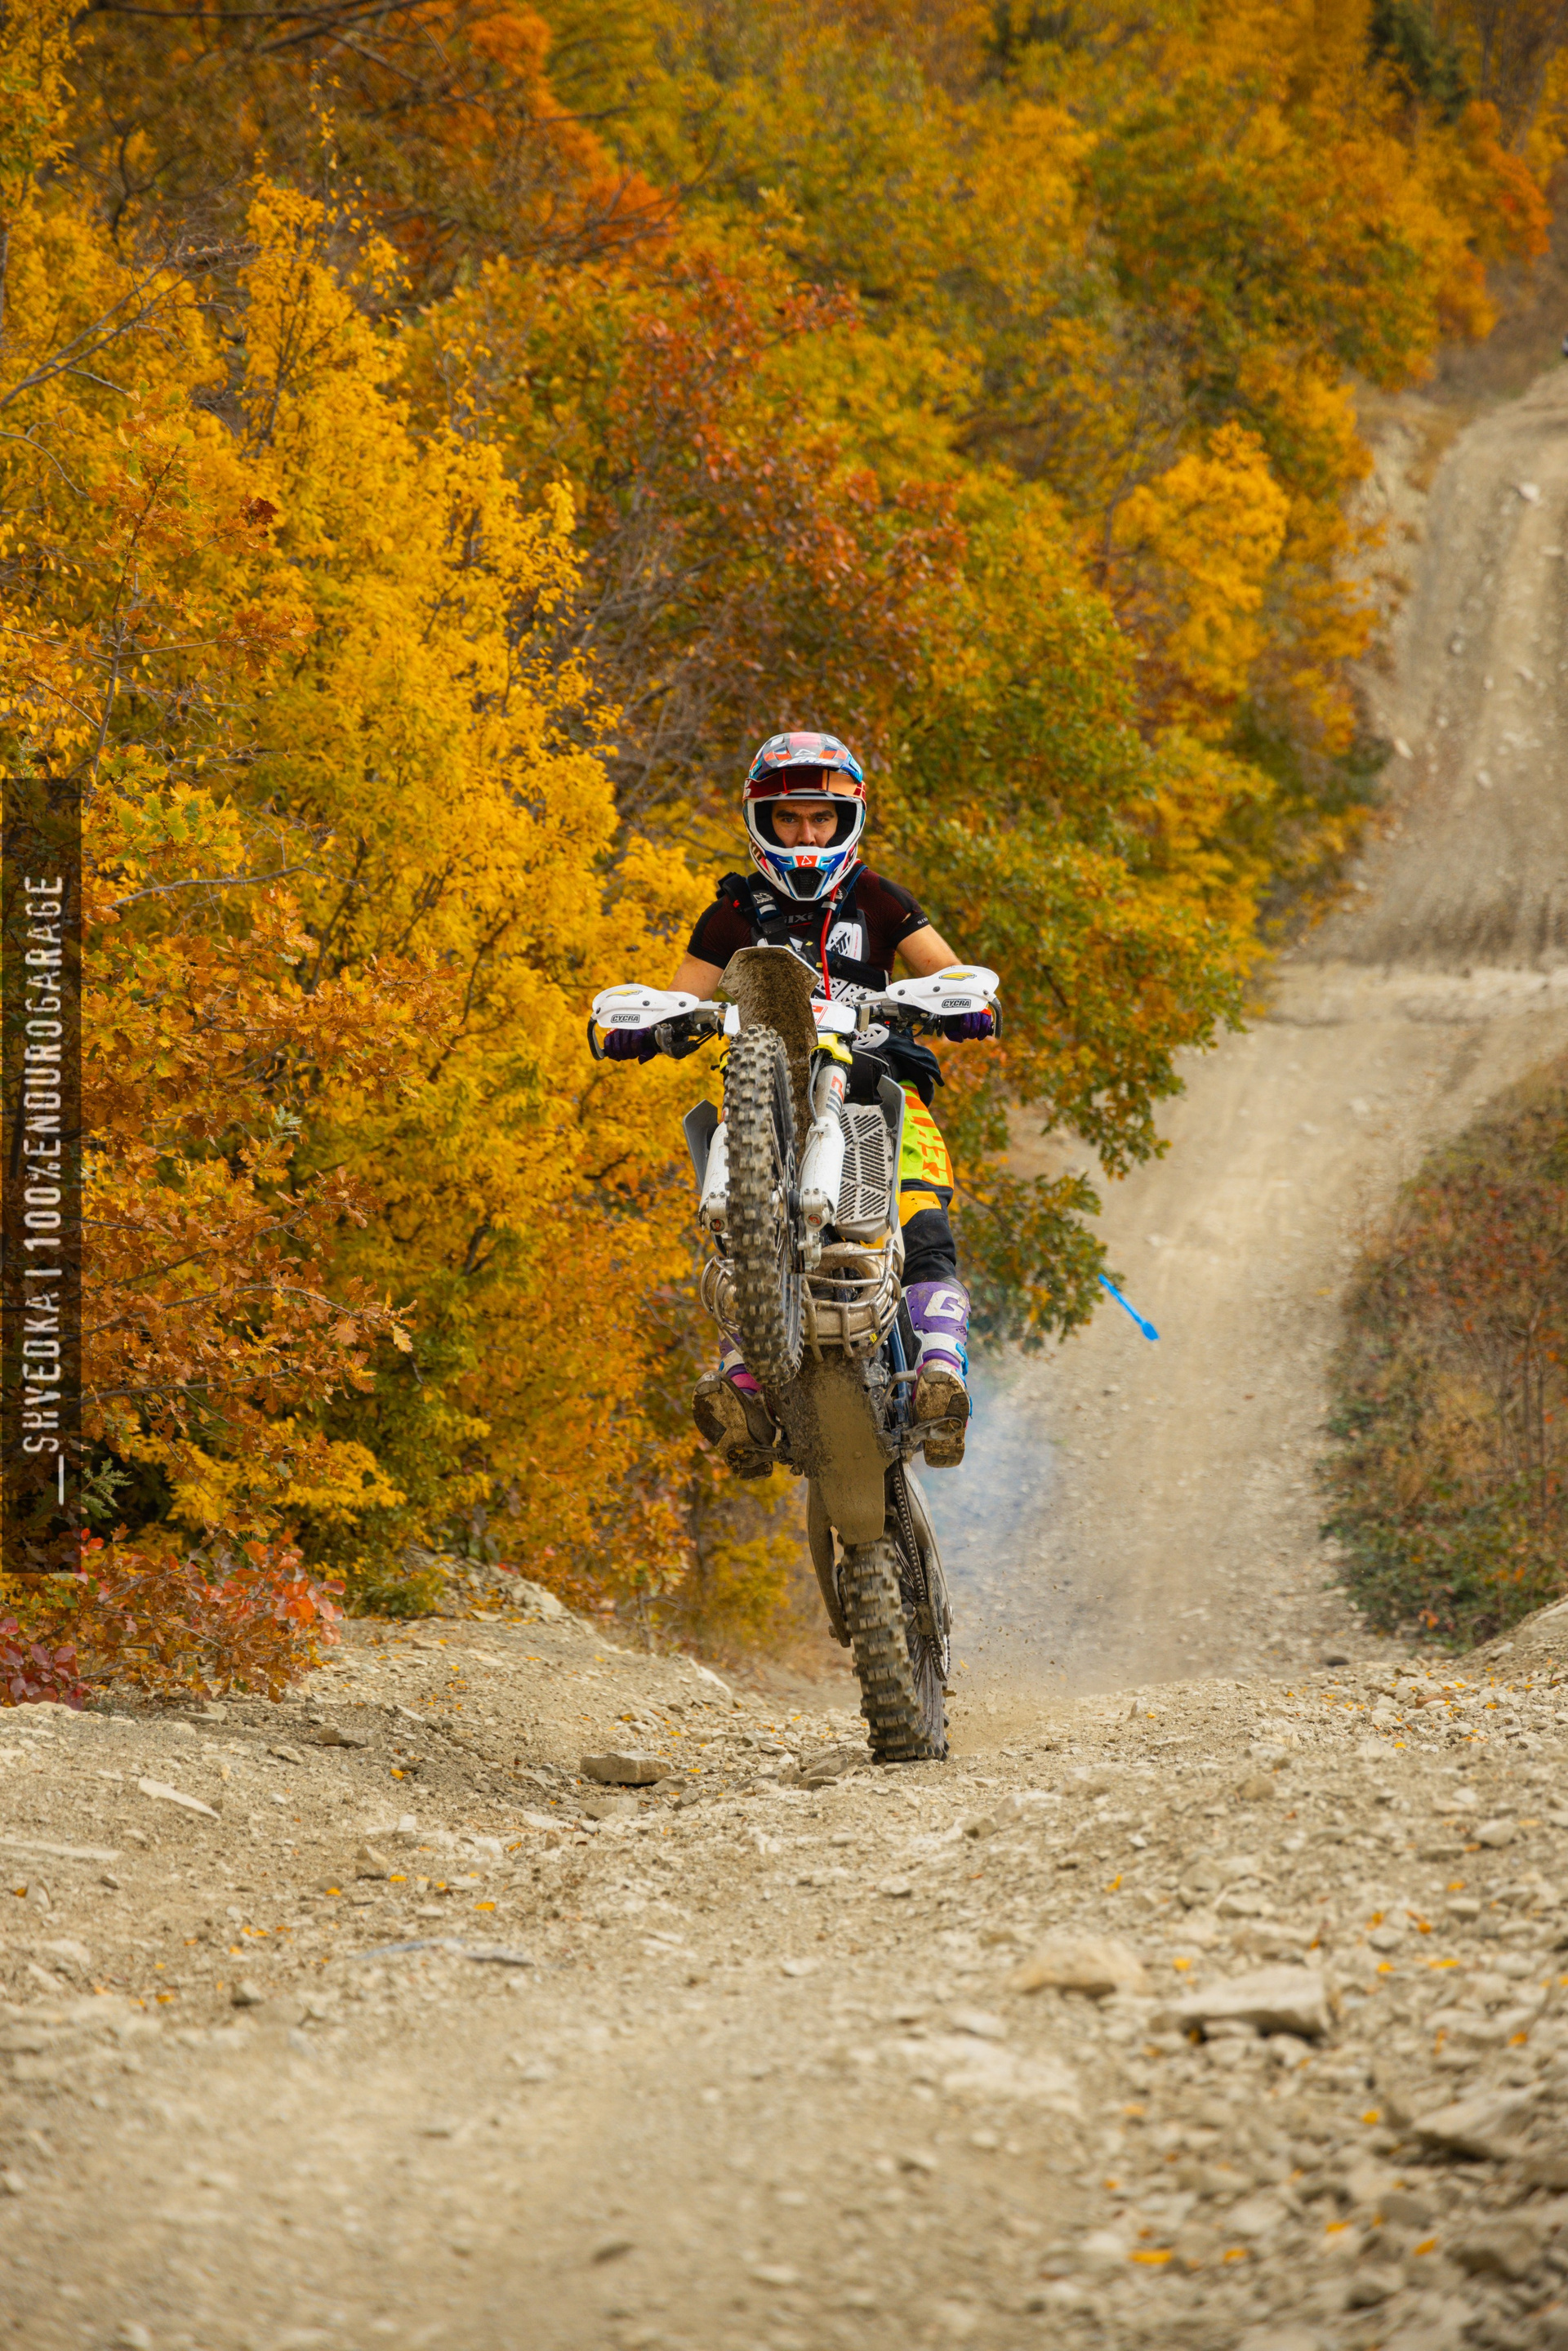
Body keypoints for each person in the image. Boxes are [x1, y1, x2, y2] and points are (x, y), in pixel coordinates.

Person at [601, 729, 993, 1473]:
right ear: (763, 822)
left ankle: (940, 1373)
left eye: (820, 817)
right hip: (769, 1096)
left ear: (846, 819)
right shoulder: (731, 914)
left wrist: (964, 1001)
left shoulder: (877, 898)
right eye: (788, 818)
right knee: (734, 1229)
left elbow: (949, 970)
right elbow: (681, 997)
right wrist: (646, 1026)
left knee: (923, 1218)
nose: (806, 834)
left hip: (875, 1081)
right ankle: (745, 1387)